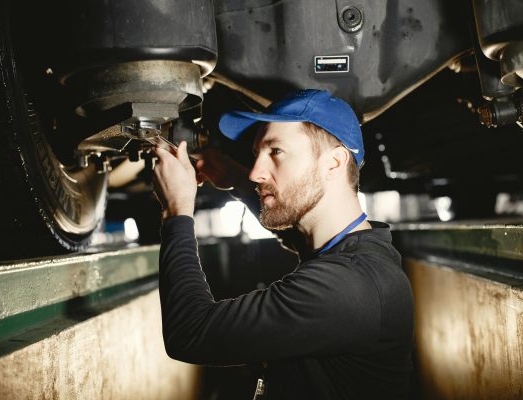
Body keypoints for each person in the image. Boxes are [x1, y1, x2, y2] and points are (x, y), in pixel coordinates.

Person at [152, 89, 414, 399]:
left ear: (334, 162)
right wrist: (234, 179)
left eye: (276, 151)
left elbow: (190, 331)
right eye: (256, 154)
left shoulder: (348, 286)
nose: (255, 172)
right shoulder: (359, 251)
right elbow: (297, 235)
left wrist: (177, 211)